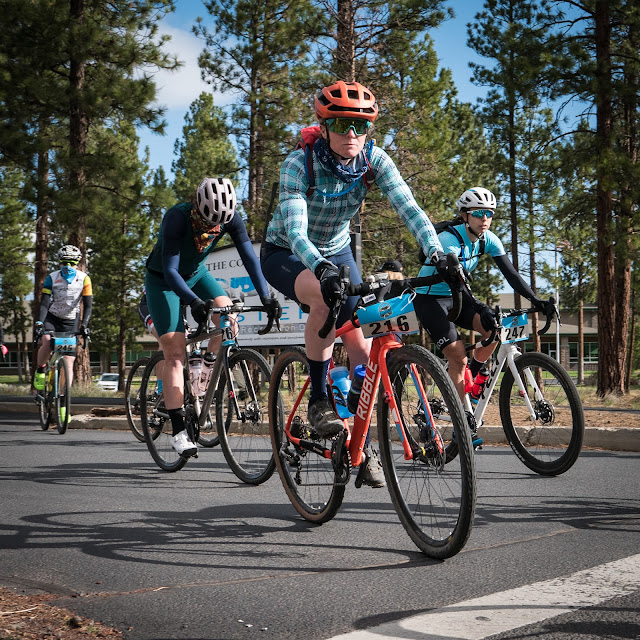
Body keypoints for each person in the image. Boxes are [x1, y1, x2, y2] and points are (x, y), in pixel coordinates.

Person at [260, 80, 449, 487]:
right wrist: (320, 267)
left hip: (339, 250)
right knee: (326, 303)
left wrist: (436, 252)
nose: (351, 134)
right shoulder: (300, 163)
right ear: (325, 125)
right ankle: (318, 400)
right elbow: (295, 230)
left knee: (362, 345)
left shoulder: (374, 160)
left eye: (360, 126)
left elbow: (409, 207)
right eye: (343, 123)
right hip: (288, 252)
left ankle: (355, 436)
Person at [144, 177, 281, 457]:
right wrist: (192, 302)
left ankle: (206, 364)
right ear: (197, 205)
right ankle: (180, 430)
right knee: (174, 351)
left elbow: (250, 259)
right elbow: (170, 271)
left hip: (196, 275)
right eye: (208, 222)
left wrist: (266, 296)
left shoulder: (231, 218)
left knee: (228, 319)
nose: (213, 228)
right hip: (163, 281)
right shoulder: (176, 218)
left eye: (219, 223)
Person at [414, 186, 551, 406]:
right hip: (430, 299)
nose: (484, 218)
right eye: (478, 213)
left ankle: (472, 376)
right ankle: (463, 428)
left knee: (494, 330)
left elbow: (511, 275)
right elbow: (456, 279)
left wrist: (536, 300)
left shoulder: (489, 239)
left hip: (459, 297)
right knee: (458, 355)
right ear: (464, 215)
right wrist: (480, 305)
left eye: (489, 213)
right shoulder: (449, 240)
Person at [33, 245, 92, 400]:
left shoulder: (84, 279)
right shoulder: (51, 278)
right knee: (46, 341)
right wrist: (40, 322)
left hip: (70, 321)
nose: (68, 266)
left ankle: (63, 397)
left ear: (78, 263)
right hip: (52, 318)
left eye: (72, 263)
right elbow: (45, 303)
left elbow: (88, 305)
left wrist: (84, 325)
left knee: (69, 360)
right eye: (64, 262)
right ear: (59, 262)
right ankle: (40, 369)